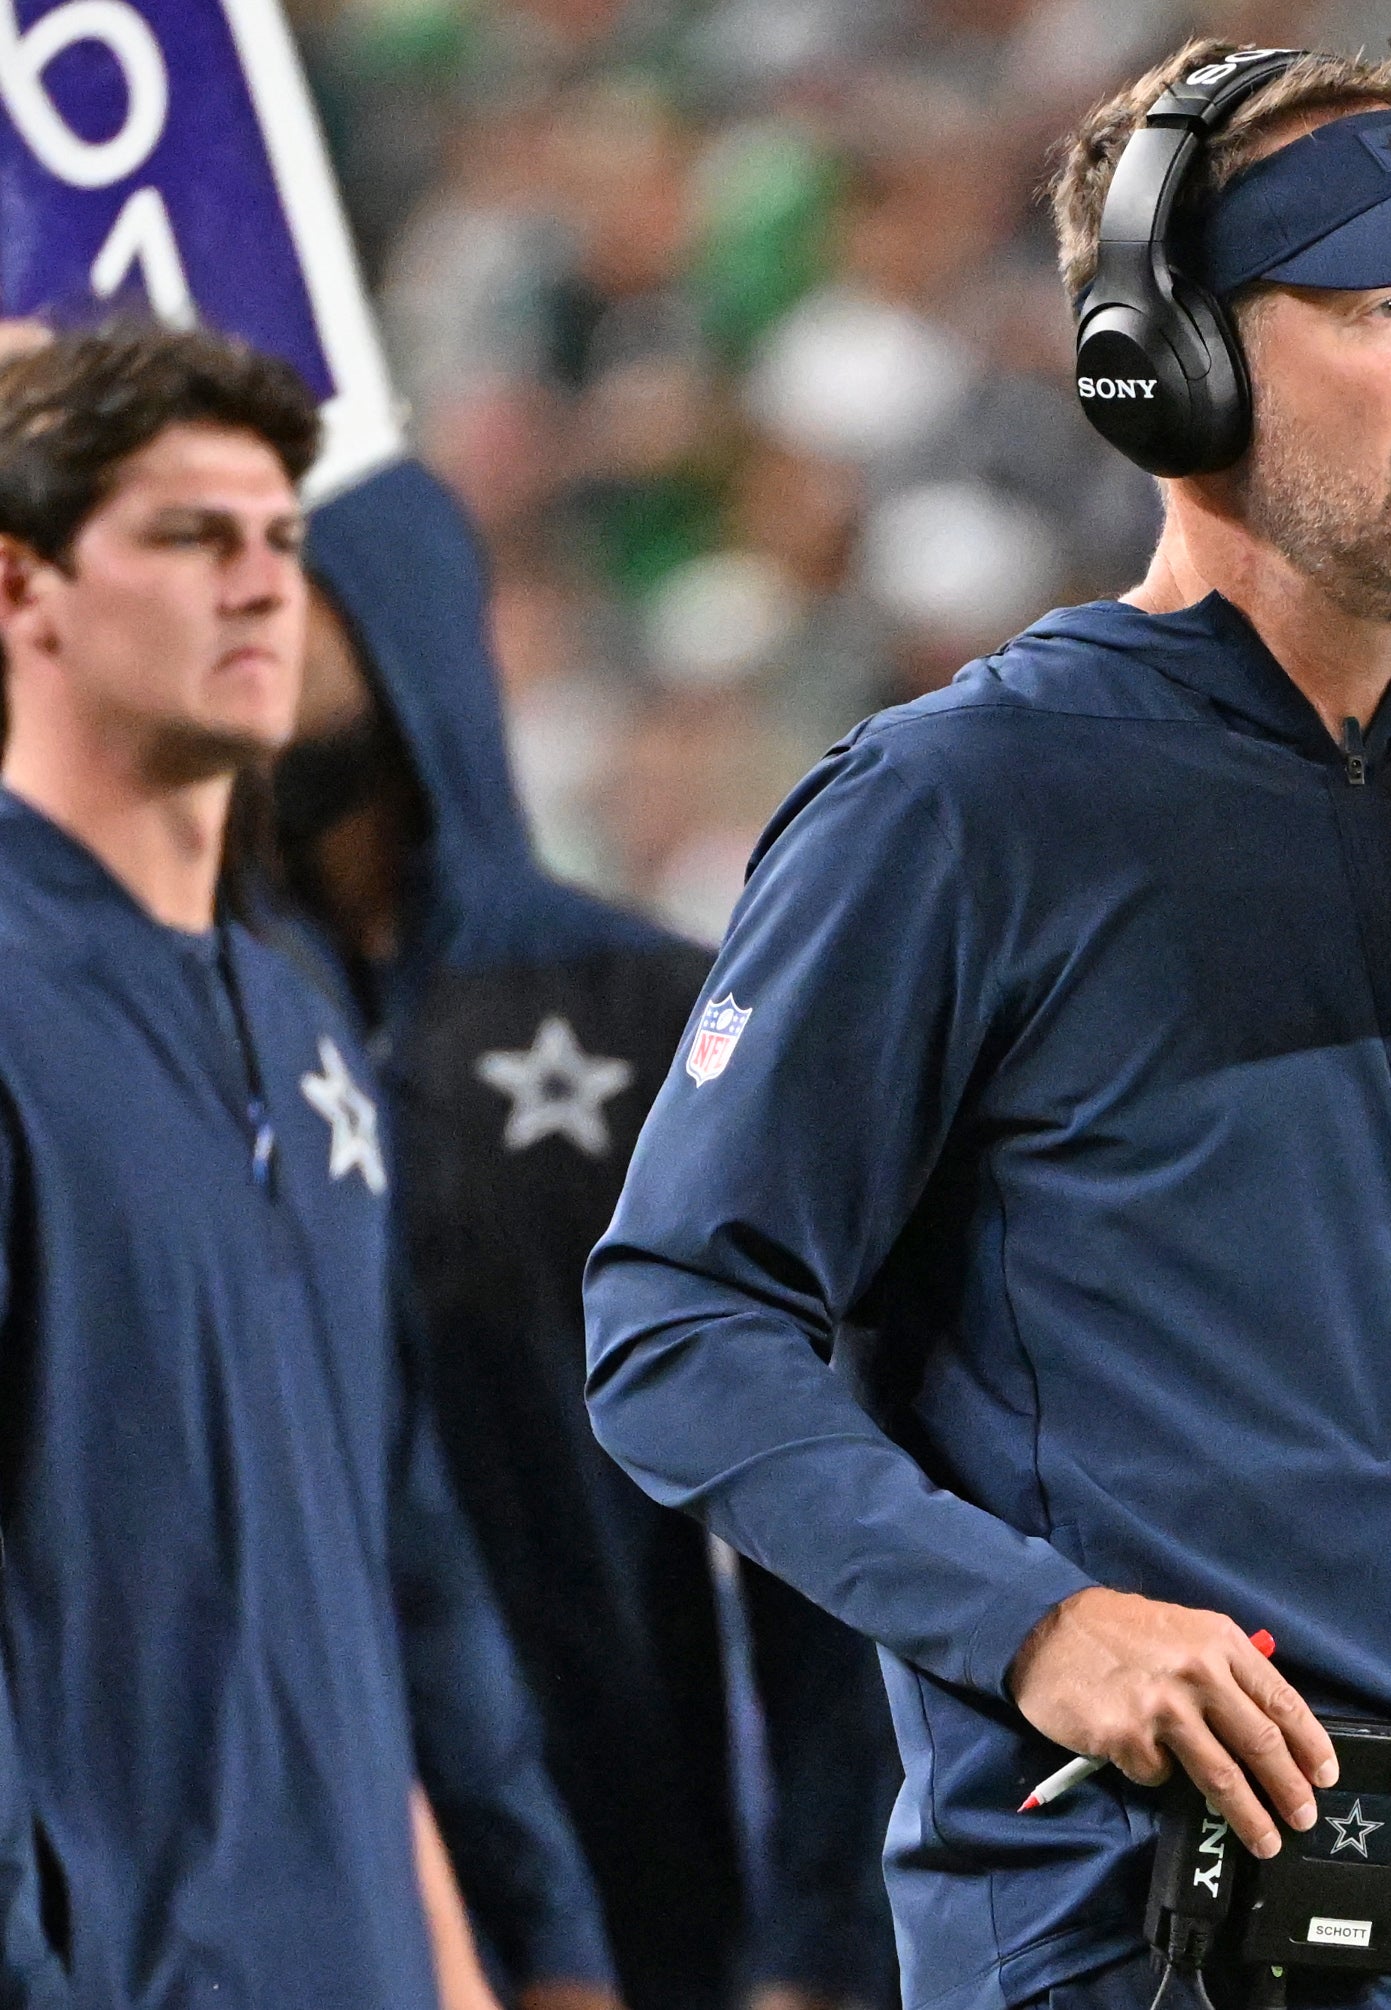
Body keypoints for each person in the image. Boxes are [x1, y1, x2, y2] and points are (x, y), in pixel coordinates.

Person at [583, 39, 1391, 2010]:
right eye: (1378, 306)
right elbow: (679, 1327)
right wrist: (1035, 1628)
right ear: (1160, 365)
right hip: (1162, 1948)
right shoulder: (967, 807)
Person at [0, 323, 613, 2007]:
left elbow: (381, 1550)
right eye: (192, 536)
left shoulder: (296, 1018)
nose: (263, 584)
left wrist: (515, 1947)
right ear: (24, 587)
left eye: (281, 538)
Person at [251, 454, 900, 2010]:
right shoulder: (172, 1031)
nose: (239, 628)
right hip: (291, 1891)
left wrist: (821, 1941)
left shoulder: (654, 1013)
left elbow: (829, 1500)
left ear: (397, 615)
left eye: (283, 577)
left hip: (642, 1898)